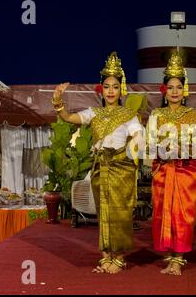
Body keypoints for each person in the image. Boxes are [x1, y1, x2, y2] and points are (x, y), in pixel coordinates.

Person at [51, 51, 144, 274]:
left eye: (114, 86)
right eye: (107, 86)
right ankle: (105, 256)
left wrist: (128, 157)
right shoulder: (94, 113)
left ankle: (119, 257)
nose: (110, 91)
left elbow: (139, 137)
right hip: (100, 168)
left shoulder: (128, 115)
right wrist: (58, 100)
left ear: (121, 90)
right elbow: (69, 118)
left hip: (121, 167)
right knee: (103, 211)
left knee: (119, 212)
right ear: (100, 89)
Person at [148, 51, 196, 275]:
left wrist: (183, 151)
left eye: (178, 87)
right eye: (170, 87)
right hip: (163, 171)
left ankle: (179, 258)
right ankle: (170, 254)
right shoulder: (156, 114)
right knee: (163, 212)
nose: (174, 92)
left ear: (185, 89)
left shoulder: (194, 115)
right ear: (164, 90)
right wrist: (162, 151)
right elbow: (150, 144)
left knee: (183, 215)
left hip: (186, 171)